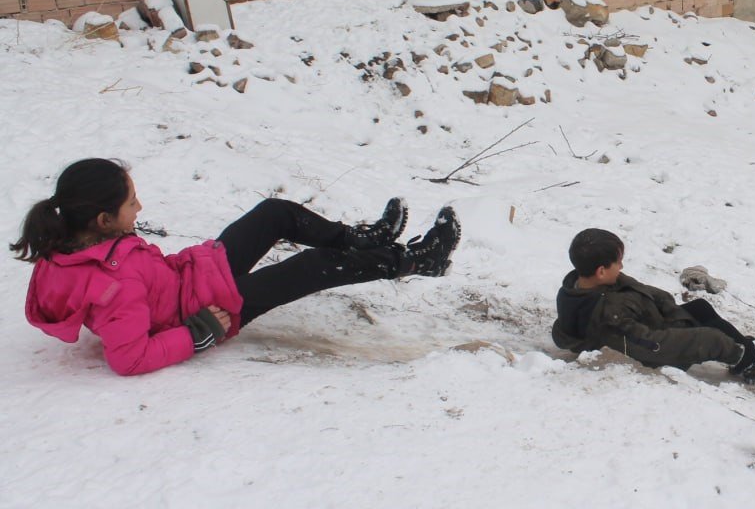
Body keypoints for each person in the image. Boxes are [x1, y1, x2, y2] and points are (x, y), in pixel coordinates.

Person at [13, 158, 462, 376]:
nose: (140, 206)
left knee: (274, 214)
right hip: (210, 310)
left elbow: (147, 280)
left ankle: (364, 238)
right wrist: (196, 332)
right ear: (104, 220)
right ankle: (418, 260)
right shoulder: (112, 287)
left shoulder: (82, 241)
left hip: (194, 278)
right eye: (132, 203)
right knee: (314, 266)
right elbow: (128, 358)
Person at [551, 228, 755, 383]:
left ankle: (744, 351)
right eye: (618, 263)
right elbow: (648, 344)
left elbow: (642, 295)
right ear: (601, 271)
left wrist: (670, 310)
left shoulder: (581, 286)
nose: (622, 268)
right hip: (652, 351)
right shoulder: (609, 316)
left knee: (700, 309)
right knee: (710, 337)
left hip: (651, 323)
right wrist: (707, 340)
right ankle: (750, 361)